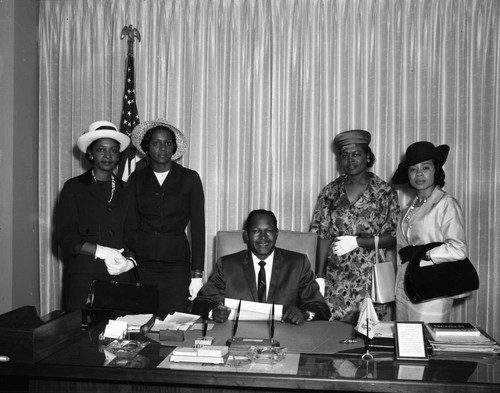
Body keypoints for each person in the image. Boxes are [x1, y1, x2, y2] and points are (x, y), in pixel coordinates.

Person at [310, 130, 400, 322]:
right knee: (331, 336)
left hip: (371, 279)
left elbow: (394, 236)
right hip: (336, 278)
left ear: (368, 156)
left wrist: (359, 242)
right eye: (345, 155)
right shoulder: (330, 191)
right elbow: (323, 235)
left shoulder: (384, 192)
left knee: (369, 336)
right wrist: (319, 276)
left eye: (356, 154)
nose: (350, 160)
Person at [125, 119, 205, 318]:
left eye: (168, 143)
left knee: (174, 324)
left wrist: (197, 273)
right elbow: (131, 224)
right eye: (156, 143)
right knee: (143, 322)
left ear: (174, 147)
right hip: (144, 265)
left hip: (176, 266)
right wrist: (131, 256)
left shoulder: (190, 178)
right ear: (147, 147)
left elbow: (198, 228)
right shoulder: (136, 179)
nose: (162, 148)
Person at [194, 209, 331, 324]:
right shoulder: (227, 265)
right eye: (256, 231)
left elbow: (321, 308)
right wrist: (213, 311)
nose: (263, 237)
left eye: (269, 231)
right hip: (238, 336)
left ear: (276, 234)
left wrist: (305, 313)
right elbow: (200, 302)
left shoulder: (297, 264)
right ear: (246, 235)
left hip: (285, 338)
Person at [56, 120, 135, 309]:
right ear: (90, 153)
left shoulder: (127, 190)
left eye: (113, 150)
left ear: (119, 155)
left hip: (120, 277)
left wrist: (130, 261)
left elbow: (133, 232)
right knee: (82, 335)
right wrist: (100, 251)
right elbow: (64, 235)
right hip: (84, 280)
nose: (107, 155)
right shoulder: (73, 188)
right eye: (101, 150)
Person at [392, 141, 467, 322]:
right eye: (413, 169)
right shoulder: (409, 208)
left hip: (433, 287)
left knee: (428, 341)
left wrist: (423, 255)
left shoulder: (446, 203)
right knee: (406, 341)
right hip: (405, 286)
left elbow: (458, 249)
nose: (419, 174)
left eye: (425, 167)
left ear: (436, 170)